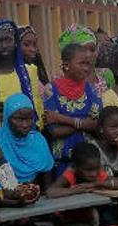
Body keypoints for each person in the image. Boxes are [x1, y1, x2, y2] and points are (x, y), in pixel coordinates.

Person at [43, 44, 102, 175]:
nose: (86, 68)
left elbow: (96, 125)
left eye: (88, 64)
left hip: (89, 163)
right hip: (62, 162)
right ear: (66, 64)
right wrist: (82, 123)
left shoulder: (92, 90)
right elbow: (54, 131)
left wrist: (61, 118)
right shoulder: (50, 90)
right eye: (81, 63)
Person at [0, 93, 54, 190]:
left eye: (29, 119)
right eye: (19, 119)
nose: (25, 125)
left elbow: (48, 185)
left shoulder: (38, 141)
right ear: (7, 117)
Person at [46, 142, 118, 197]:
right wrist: (77, 190)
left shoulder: (98, 173)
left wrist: (95, 184)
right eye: (88, 170)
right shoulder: (71, 173)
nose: (94, 174)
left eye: (96, 168)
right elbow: (51, 192)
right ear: (75, 167)